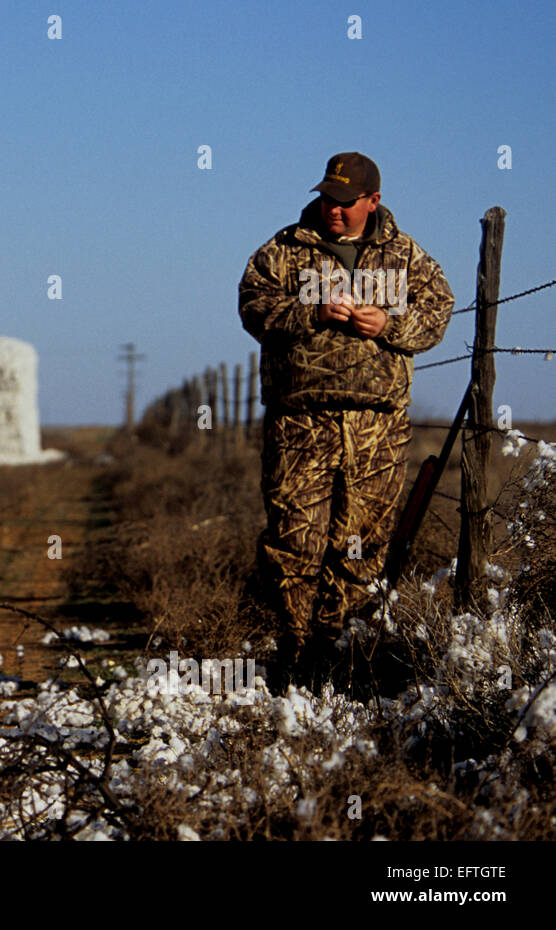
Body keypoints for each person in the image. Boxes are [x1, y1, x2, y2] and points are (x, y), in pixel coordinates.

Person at [238, 152, 454, 686]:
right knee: (294, 539)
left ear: (372, 201)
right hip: (301, 423)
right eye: (326, 198)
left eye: (344, 201)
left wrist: (390, 323)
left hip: (378, 427)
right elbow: (252, 306)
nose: (332, 210)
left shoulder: (406, 256)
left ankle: (341, 657)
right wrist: (308, 312)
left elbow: (439, 312)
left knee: (362, 544)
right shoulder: (285, 249)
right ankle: (291, 653)